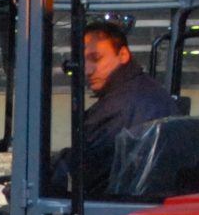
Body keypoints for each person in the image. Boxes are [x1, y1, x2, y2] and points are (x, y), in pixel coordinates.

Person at [55, 20, 178, 194]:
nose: (87, 70)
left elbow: (85, 172)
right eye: (82, 61)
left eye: (96, 58)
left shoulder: (118, 108)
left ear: (123, 55)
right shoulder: (150, 91)